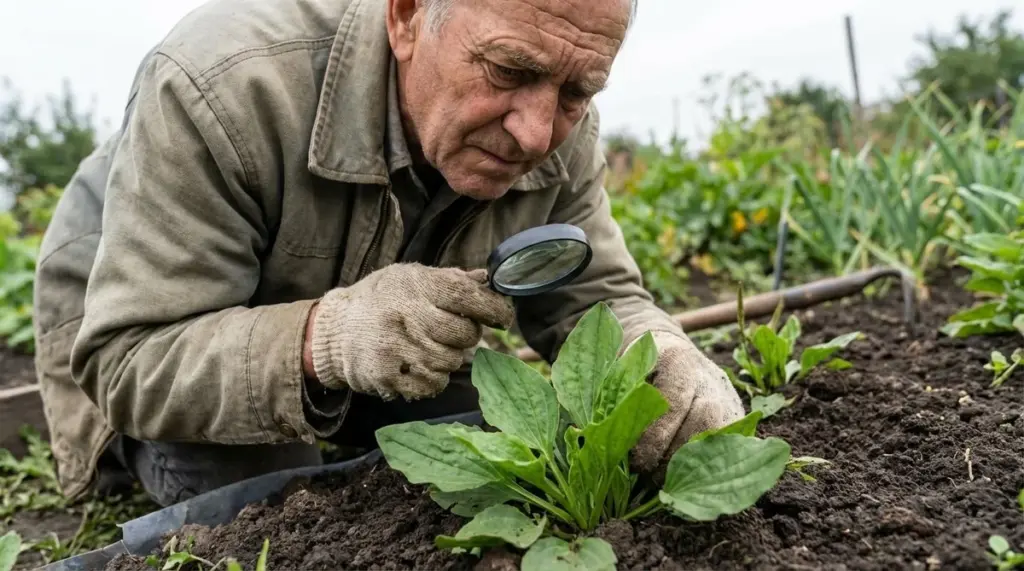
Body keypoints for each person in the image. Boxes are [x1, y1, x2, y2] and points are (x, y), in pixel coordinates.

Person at [32, 0, 744, 508]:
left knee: (499, 455)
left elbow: (598, 298)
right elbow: (126, 354)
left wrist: (660, 353)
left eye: (578, 90)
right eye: (506, 70)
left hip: (372, 339)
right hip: (156, 318)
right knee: (286, 498)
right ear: (406, 17)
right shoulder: (221, 85)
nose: (535, 133)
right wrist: (329, 336)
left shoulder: (560, 124)